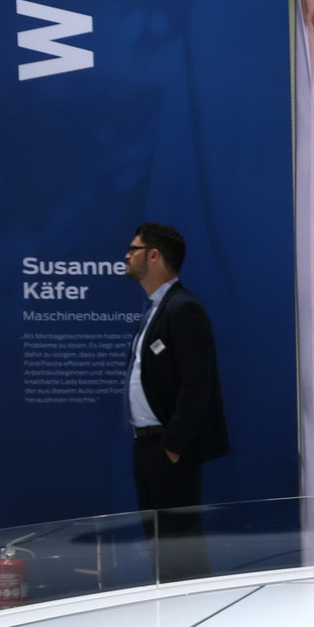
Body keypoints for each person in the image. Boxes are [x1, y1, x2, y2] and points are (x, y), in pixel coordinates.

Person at [124, 223, 230, 580]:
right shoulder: (156, 308)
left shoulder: (183, 308)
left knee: (178, 543)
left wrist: (172, 446)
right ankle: (169, 603)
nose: (127, 255)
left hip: (168, 448)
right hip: (147, 444)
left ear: (154, 255)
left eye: (134, 249)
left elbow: (197, 384)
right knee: (159, 543)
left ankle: (186, 604)